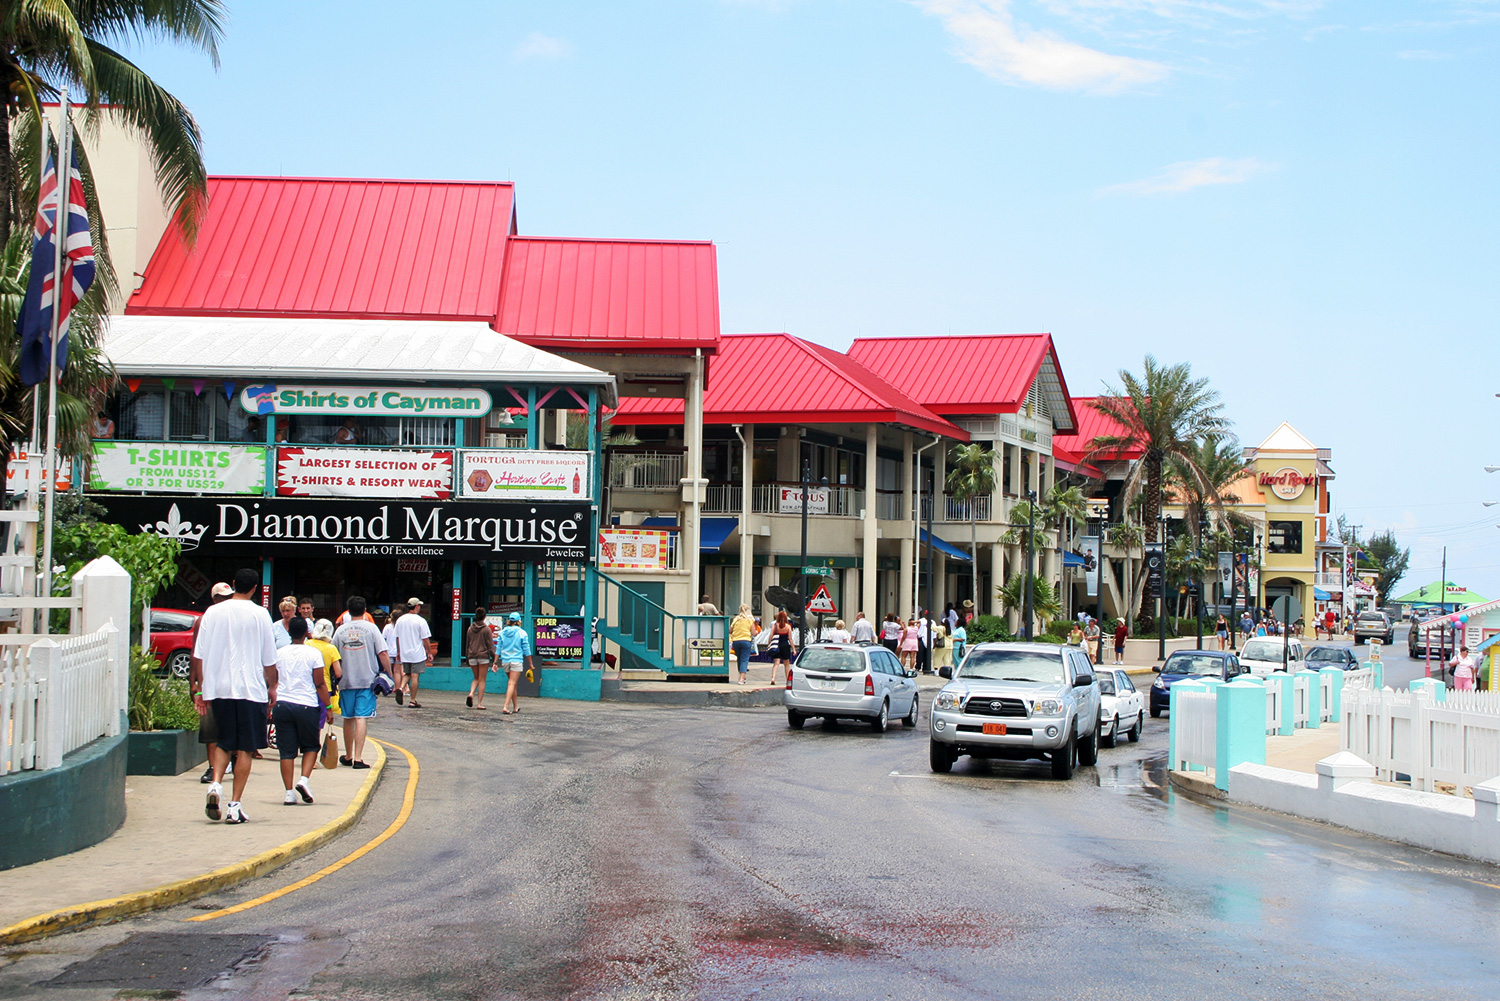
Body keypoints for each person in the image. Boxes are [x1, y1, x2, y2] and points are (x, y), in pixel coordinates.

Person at [190, 568, 278, 825]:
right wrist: (272, 687)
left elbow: (199, 654)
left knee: (223, 741)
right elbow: (269, 659)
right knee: (246, 748)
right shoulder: (260, 614)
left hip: (219, 688)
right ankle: (235, 805)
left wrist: (199, 689)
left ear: (232, 584)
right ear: (253, 589)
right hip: (250, 689)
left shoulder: (212, 612)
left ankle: (216, 784)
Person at [272, 617, 330, 806]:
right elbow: (320, 683)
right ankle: (303, 780)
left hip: (282, 705)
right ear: (307, 633)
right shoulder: (313, 653)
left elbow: (272, 681)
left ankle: (289, 793)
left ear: (289, 632)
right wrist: (328, 708)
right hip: (306, 705)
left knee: (286, 751)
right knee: (311, 746)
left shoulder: (279, 653)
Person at [332, 596, 391, 768]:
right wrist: (388, 672)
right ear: (365, 610)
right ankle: (358, 758)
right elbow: (383, 653)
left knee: (348, 718)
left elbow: (334, 655)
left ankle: (348, 755)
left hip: (346, 681)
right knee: (362, 718)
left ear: (348, 611)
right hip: (367, 680)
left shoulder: (340, 631)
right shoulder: (371, 628)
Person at [193, 582, 234, 783]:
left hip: (234, 682)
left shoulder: (237, 619)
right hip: (210, 681)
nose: (225, 601)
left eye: (229, 597)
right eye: (222, 598)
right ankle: (212, 767)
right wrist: (195, 683)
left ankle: (230, 759)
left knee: (233, 726)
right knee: (211, 730)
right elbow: (196, 653)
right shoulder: (204, 621)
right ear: (215, 599)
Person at [392, 597, 433, 707]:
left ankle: (401, 687)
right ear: (416, 606)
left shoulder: (400, 620)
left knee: (407, 673)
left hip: (405, 652)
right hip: (417, 653)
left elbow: (397, 637)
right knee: (415, 676)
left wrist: (399, 652)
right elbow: (425, 639)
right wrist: (429, 652)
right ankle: (412, 700)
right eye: (419, 605)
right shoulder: (420, 621)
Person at [498, 612, 535, 714]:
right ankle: (506, 706)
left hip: (505, 661)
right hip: (516, 661)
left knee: (512, 683)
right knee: (512, 683)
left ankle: (515, 707)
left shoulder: (502, 632)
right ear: (519, 621)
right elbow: (526, 650)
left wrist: (495, 661)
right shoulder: (522, 633)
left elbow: (498, 648)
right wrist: (530, 663)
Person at [307, 619, 342, 721]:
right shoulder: (331, 648)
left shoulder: (308, 644)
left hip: (308, 687)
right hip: (325, 689)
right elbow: (338, 672)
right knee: (319, 722)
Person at [465, 607, 498, 709]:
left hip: (472, 655)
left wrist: (467, 657)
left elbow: (467, 644)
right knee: (482, 680)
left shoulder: (470, 629)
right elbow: (490, 646)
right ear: (485, 616)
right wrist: (495, 659)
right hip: (483, 656)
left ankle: (471, 693)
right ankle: (479, 704)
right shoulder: (486, 629)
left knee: (476, 678)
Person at [730, 605, 757, 685]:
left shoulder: (736, 619)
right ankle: (741, 679)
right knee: (744, 659)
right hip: (746, 641)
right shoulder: (750, 620)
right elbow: (753, 633)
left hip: (736, 641)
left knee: (739, 658)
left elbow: (730, 630)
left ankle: (742, 676)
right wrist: (757, 632)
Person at [769, 610, 796, 686]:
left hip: (776, 645)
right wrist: (793, 649)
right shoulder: (788, 626)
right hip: (785, 645)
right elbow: (790, 638)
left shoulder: (775, 625)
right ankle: (787, 680)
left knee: (776, 663)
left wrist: (769, 644)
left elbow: (771, 635)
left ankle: (773, 678)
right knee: (786, 664)